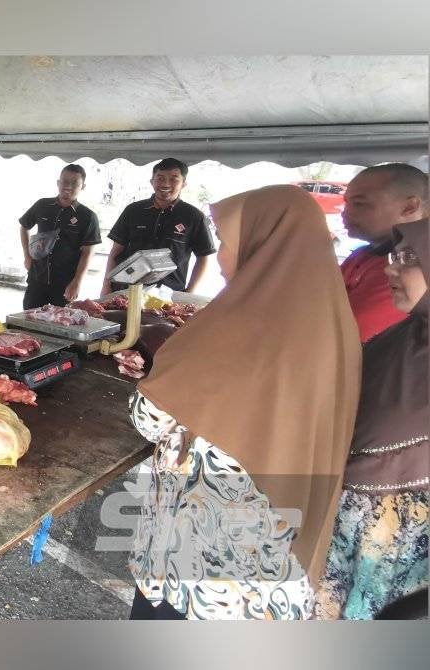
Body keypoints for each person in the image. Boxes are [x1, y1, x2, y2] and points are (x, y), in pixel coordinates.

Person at [127, 185, 361, 619]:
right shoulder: (332, 318)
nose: (218, 256)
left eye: (225, 241)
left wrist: (158, 373)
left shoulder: (238, 324)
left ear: (262, 242)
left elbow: (151, 418)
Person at [316, 218, 429, 620]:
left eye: (411, 258)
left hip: (402, 537)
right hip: (348, 514)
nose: (391, 269)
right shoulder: (405, 335)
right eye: (397, 256)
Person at [339, 163, 427, 342]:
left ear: (409, 207)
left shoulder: (413, 269)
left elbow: (346, 334)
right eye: (347, 203)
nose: (345, 213)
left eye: (359, 204)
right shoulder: (364, 254)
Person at [102, 158, 215, 295]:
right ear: (152, 181)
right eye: (160, 178)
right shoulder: (133, 210)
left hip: (168, 295)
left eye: (174, 179)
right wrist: (106, 286)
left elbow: (203, 257)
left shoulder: (194, 216)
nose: (166, 184)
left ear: (183, 184)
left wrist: (189, 293)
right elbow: (116, 250)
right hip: (126, 290)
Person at [19, 164, 100, 309]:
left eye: (74, 183)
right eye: (64, 181)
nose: (68, 186)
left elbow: (88, 253)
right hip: (37, 277)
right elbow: (24, 227)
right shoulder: (42, 205)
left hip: (65, 283)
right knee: (28, 320)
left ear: (83, 186)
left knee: (60, 324)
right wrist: (27, 256)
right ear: (58, 183)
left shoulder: (88, 216)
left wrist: (77, 282)